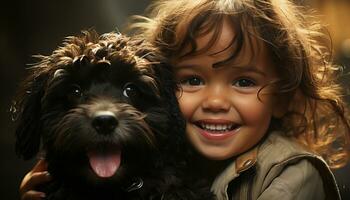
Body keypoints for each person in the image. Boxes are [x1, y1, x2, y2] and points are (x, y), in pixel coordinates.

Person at [19, 0, 350, 199]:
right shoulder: (167, 156)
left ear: (281, 98)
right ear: (164, 91)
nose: (216, 101)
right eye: (193, 80)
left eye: (244, 81)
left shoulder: (292, 177)